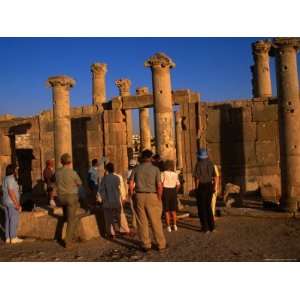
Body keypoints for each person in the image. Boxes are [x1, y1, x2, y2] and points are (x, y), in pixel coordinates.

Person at [129, 149, 166, 252]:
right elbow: (159, 186)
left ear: (142, 157)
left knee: (142, 222)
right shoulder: (155, 169)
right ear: (150, 157)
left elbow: (131, 184)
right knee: (156, 221)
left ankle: (146, 244)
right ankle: (161, 244)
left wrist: (131, 194)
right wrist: (159, 197)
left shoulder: (136, 169)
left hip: (139, 196)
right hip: (152, 195)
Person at [55, 153, 82, 249]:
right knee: (71, 220)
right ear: (70, 162)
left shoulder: (57, 172)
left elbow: (54, 181)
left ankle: (65, 235)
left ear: (61, 162)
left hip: (61, 198)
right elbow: (79, 183)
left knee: (65, 217)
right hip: (71, 197)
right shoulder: (73, 172)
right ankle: (68, 242)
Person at [100, 163, 129, 238]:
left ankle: (111, 233)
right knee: (120, 215)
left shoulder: (104, 179)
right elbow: (121, 188)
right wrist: (123, 197)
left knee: (108, 217)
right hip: (117, 199)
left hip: (107, 201)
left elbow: (101, 191)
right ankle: (124, 229)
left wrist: (101, 199)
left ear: (106, 169)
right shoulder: (118, 177)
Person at [193, 149, 217, 233]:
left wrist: (196, 188)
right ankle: (212, 227)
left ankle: (205, 227)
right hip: (210, 186)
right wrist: (214, 187)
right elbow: (215, 177)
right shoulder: (211, 164)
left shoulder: (198, 164)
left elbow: (197, 179)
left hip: (202, 187)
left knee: (202, 208)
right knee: (208, 207)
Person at [2, 164, 23, 244]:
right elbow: (11, 192)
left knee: (8, 219)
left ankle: (8, 237)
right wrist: (17, 204)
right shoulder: (10, 178)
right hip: (11, 202)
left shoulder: (5, 178)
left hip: (5, 201)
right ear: (12, 170)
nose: (17, 171)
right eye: (16, 169)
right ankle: (13, 237)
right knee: (14, 219)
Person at [161, 160, 180, 232]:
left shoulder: (163, 173)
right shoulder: (175, 174)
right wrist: (176, 191)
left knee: (166, 210)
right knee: (173, 210)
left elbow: (161, 184)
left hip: (166, 191)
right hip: (173, 191)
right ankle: (175, 225)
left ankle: (168, 226)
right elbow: (178, 185)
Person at [127, 159, 138, 230]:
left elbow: (128, 182)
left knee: (132, 207)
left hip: (130, 190)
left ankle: (134, 223)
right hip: (136, 189)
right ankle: (136, 222)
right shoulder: (137, 171)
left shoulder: (128, 172)